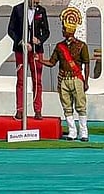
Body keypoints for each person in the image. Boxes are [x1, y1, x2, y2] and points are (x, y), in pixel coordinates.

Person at [41, 7, 90, 141]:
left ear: (70, 30)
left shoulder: (82, 46)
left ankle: (83, 132)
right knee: (66, 106)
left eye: (64, 29)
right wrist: (40, 60)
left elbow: (87, 63)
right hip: (63, 79)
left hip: (76, 79)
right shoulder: (59, 46)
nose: (63, 31)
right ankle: (72, 131)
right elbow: (52, 62)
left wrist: (86, 81)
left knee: (81, 106)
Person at [7, 0, 49, 119]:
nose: (36, 5)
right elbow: (11, 30)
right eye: (34, 2)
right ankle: (19, 109)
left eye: (38, 2)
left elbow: (46, 32)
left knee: (37, 80)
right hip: (21, 50)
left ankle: (38, 110)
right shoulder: (18, 9)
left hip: (37, 51)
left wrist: (39, 40)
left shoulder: (42, 11)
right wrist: (20, 41)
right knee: (20, 80)